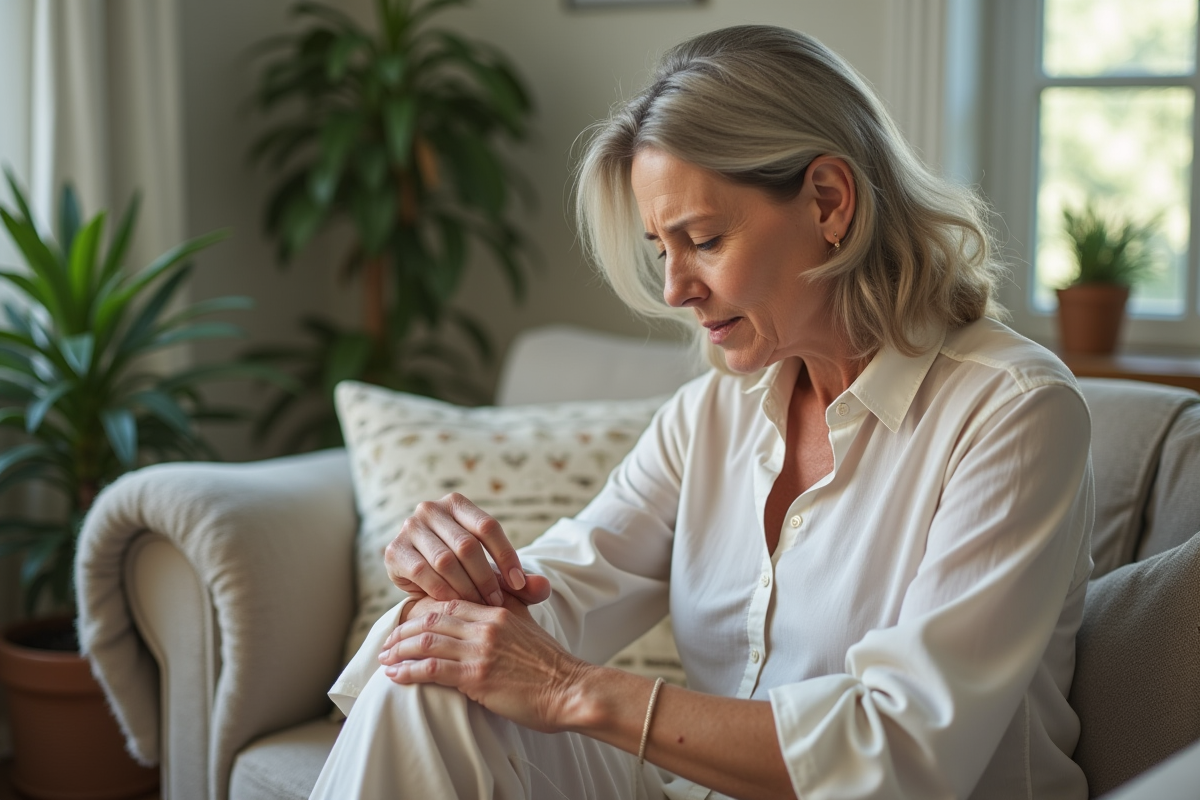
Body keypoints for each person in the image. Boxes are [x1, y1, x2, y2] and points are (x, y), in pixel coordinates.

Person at [310, 25, 1093, 800]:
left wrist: (569, 690)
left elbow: (904, 750)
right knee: (435, 682)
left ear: (828, 201)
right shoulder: (711, 416)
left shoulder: (1014, 412)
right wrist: (459, 590)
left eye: (704, 239)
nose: (674, 291)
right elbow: (556, 593)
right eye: (662, 249)